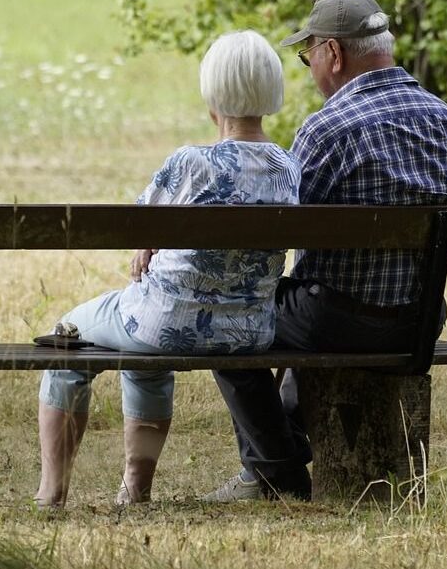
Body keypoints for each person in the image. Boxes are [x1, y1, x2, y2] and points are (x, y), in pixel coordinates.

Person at [202, 0, 447, 502]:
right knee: (310, 298)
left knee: (226, 315)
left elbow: (281, 233)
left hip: (339, 321)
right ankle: (281, 452)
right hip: (420, 320)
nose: (310, 69)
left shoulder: (327, 129)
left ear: (333, 53)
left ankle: (276, 472)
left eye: (308, 58)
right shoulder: (445, 120)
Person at [35, 30, 302, 508]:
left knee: (67, 336)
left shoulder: (190, 163)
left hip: (164, 324)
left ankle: (51, 492)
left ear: (212, 95)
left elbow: (137, 226)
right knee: (144, 349)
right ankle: (134, 490)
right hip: (248, 332)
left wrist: (148, 243)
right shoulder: (288, 167)